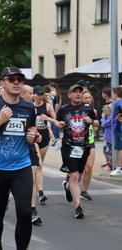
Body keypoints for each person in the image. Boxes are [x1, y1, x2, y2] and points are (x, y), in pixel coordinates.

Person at [0, 66, 39, 250]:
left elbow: (32, 128)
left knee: (25, 212)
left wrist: (33, 135)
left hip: (21, 167)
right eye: (12, 79)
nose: (17, 82)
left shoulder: (28, 107)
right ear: (2, 83)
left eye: (20, 79)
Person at [55, 84, 96, 219]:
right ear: (69, 95)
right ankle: (78, 207)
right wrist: (59, 125)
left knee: (78, 176)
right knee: (73, 176)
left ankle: (67, 187)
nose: (78, 94)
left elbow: (97, 123)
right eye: (75, 92)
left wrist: (92, 121)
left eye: (80, 92)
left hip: (84, 147)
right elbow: (58, 122)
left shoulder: (88, 108)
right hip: (68, 146)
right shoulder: (64, 110)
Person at [21, 84, 43, 226]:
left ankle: (32, 210)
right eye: (29, 93)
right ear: (22, 94)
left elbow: (32, 127)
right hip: (15, 148)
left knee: (33, 177)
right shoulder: (13, 108)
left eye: (33, 93)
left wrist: (37, 135)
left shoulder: (31, 109)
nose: (32, 95)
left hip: (29, 147)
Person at [32, 85, 56, 204]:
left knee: (39, 165)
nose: (40, 97)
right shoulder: (30, 106)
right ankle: (40, 192)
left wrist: (48, 118)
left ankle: (37, 188)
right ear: (33, 94)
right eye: (38, 94)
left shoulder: (48, 106)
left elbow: (56, 120)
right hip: (34, 135)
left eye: (42, 94)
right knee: (39, 164)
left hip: (45, 134)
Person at [80, 90, 99, 200]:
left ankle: (84, 191)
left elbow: (97, 124)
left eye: (89, 97)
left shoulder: (93, 111)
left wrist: (91, 122)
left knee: (89, 167)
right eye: (85, 98)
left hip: (90, 141)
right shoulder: (76, 110)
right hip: (77, 142)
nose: (88, 99)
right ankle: (69, 183)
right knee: (78, 169)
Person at [110, 86, 122, 176]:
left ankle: (119, 168)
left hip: (119, 127)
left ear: (115, 94)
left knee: (120, 148)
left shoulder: (117, 103)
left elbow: (114, 116)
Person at [100, 104, 112, 171]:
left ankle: (110, 165)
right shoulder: (107, 117)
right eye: (103, 111)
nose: (104, 112)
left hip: (110, 138)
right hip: (106, 137)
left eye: (105, 111)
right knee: (105, 151)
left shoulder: (110, 118)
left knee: (109, 152)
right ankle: (108, 163)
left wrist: (103, 118)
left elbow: (103, 124)